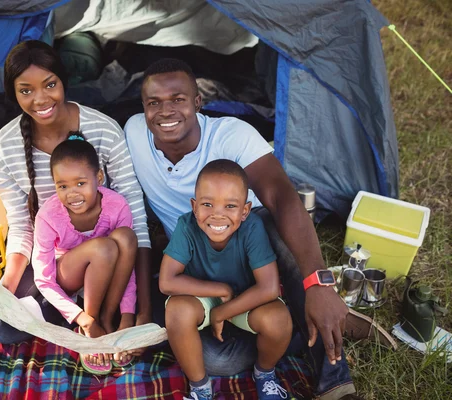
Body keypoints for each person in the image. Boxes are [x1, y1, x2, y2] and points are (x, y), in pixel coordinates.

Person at [124, 58, 358, 399]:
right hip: (198, 263)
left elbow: (282, 197)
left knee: (278, 234)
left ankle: (333, 375)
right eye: (154, 102)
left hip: (248, 245)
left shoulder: (231, 136)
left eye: (178, 99)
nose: (166, 111)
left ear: (198, 102)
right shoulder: (133, 133)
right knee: (217, 360)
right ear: (143, 108)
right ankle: (301, 322)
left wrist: (317, 280)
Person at [0, 40, 152, 345]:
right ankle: (72, 310)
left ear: (63, 82)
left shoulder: (103, 130)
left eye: (50, 84)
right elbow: (21, 225)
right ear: (13, 93)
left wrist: (143, 309)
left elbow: (133, 214)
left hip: (111, 256)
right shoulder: (6, 148)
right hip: (54, 260)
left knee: (151, 310)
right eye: (26, 90)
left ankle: (86, 312)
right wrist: (6, 287)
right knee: (1, 327)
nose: (41, 99)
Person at [160, 160, 292, 400]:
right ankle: (200, 387)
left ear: (245, 211)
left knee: (278, 320)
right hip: (203, 299)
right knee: (177, 312)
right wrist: (219, 289)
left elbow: (269, 287)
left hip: (245, 299)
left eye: (230, 206)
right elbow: (167, 281)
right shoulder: (187, 226)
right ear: (194, 206)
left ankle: (264, 374)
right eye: (207, 204)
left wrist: (223, 312)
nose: (217, 214)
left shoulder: (252, 227)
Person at [32, 133, 137, 374]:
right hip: (69, 275)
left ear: (98, 177)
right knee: (103, 246)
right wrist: (81, 318)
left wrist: (128, 314)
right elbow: (43, 279)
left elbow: (128, 265)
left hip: (106, 277)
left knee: (125, 238)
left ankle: (109, 319)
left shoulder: (116, 205)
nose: (72, 194)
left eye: (81, 183)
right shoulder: (48, 216)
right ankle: (91, 326)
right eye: (63, 186)